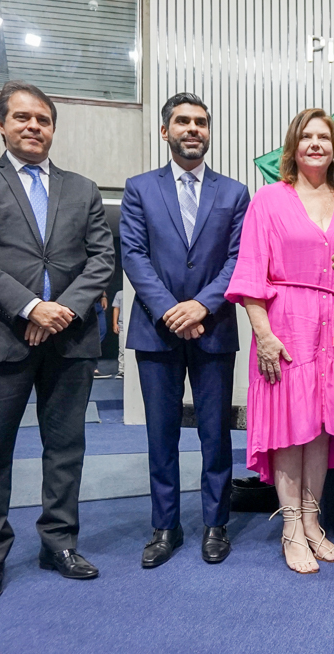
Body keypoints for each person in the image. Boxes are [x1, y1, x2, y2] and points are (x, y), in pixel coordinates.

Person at [0, 81, 115, 604]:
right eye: (22, 117)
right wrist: (31, 306)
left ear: (53, 128)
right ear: (2, 124)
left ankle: (58, 543)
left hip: (71, 339)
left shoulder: (83, 188)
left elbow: (102, 260)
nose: (33, 126)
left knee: (65, 450)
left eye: (42, 119)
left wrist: (59, 312)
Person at [226, 108, 334, 574]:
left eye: (324, 137)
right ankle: (289, 527)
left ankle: (311, 521)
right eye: (306, 136)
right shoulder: (269, 199)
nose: (315, 144)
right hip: (285, 325)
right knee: (290, 427)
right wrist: (262, 334)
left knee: (321, 426)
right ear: (293, 145)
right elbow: (249, 273)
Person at [120, 93, 249, 569]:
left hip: (213, 328)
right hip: (156, 331)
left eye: (200, 122)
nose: (192, 129)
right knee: (162, 434)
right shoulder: (138, 188)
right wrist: (171, 309)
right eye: (182, 121)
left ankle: (216, 525)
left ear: (209, 132)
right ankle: (165, 526)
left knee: (215, 435)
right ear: (164, 131)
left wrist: (200, 305)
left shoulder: (234, 193)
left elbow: (238, 258)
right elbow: (132, 254)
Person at [112, 289, 125, 378]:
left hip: (133, 324)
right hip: (122, 325)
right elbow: (116, 308)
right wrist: (115, 323)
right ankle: (122, 370)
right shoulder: (120, 293)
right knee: (122, 349)